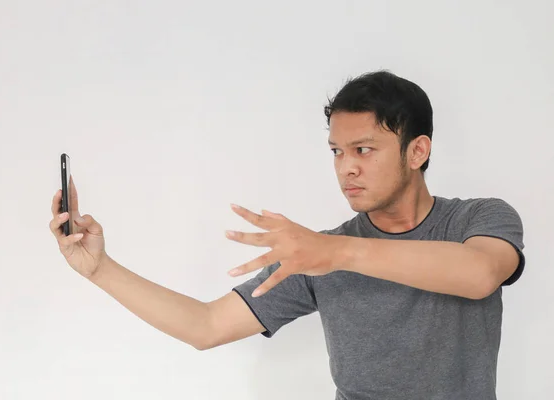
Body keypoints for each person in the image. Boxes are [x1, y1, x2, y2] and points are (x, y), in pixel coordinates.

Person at [49, 70, 525, 400]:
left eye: (364, 148)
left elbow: (480, 274)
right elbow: (206, 326)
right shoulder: (316, 256)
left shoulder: (477, 220)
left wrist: (335, 252)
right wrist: (99, 269)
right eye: (337, 151)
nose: (347, 168)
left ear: (418, 150)